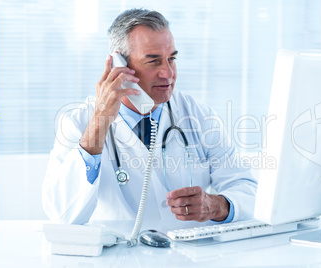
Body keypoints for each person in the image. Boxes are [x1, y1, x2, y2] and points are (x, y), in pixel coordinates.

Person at [42, 8, 257, 226]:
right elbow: (62, 214)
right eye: (153, 61)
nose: (168, 73)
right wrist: (100, 122)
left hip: (191, 256)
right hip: (120, 257)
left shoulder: (199, 116)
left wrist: (216, 205)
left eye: (171, 59)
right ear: (120, 67)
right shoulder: (78, 124)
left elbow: (248, 190)